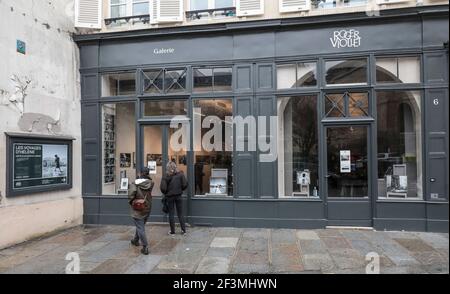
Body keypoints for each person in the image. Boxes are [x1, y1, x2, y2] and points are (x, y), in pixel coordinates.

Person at [128, 167, 154, 255]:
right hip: (147, 207)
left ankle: (145, 247)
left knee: (140, 227)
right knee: (140, 224)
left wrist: (131, 202)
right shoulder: (151, 183)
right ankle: (135, 240)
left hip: (138, 207)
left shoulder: (134, 183)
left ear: (140, 173)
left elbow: (131, 195)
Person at [160, 161, 188, 235]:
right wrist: (180, 190)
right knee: (180, 213)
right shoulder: (180, 174)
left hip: (170, 197)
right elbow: (185, 184)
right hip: (178, 195)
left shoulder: (166, 176)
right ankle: (183, 230)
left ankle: (173, 232)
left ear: (167, 168)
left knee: (171, 214)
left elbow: (163, 188)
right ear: (175, 167)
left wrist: (167, 193)